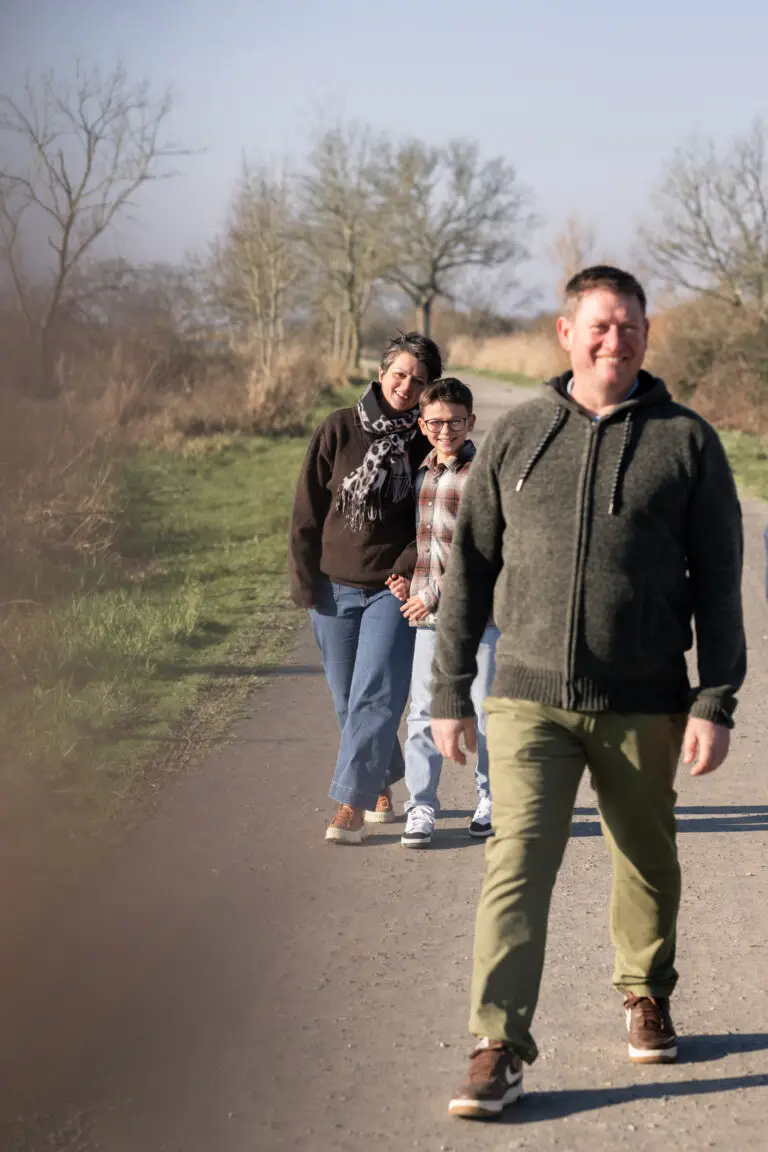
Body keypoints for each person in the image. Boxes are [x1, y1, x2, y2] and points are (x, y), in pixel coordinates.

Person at [426, 266, 746, 1119]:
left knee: (645, 858)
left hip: (643, 697)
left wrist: (715, 699)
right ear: (564, 332)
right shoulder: (519, 434)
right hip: (527, 695)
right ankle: (497, 1044)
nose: (617, 339)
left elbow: (719, 581)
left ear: (648, 334)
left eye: (632, 325)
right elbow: (470, 571)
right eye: (600, 325)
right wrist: (450, 688)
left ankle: (645, 991)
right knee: (518, 863)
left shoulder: (688, 442)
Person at [288, 332, 442, 845]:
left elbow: (427, 519)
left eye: (418, 381)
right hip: (333, 589)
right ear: (381, 374)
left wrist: (404, 566)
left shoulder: (425, 441)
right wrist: (305, 580)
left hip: (388, 591)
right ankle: (378, 778)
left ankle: (349, 804)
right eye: (399, 374)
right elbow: (306, 510)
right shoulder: (337, 429)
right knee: (346, 700)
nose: (406, 385)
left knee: (375, 694)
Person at [390, 377, 498, 848]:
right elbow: (425, 541)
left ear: (470, 421)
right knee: (423, 713)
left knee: (487, 712)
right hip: (430, 619)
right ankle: (421, 806)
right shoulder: (423, 474)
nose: (445, 430)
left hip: (481, 616)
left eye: (455, 421)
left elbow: (482, 551)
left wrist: (432, 591)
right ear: (422, 424)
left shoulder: (484, 475)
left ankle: (492, 799)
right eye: (435, 422)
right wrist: (406, 577)